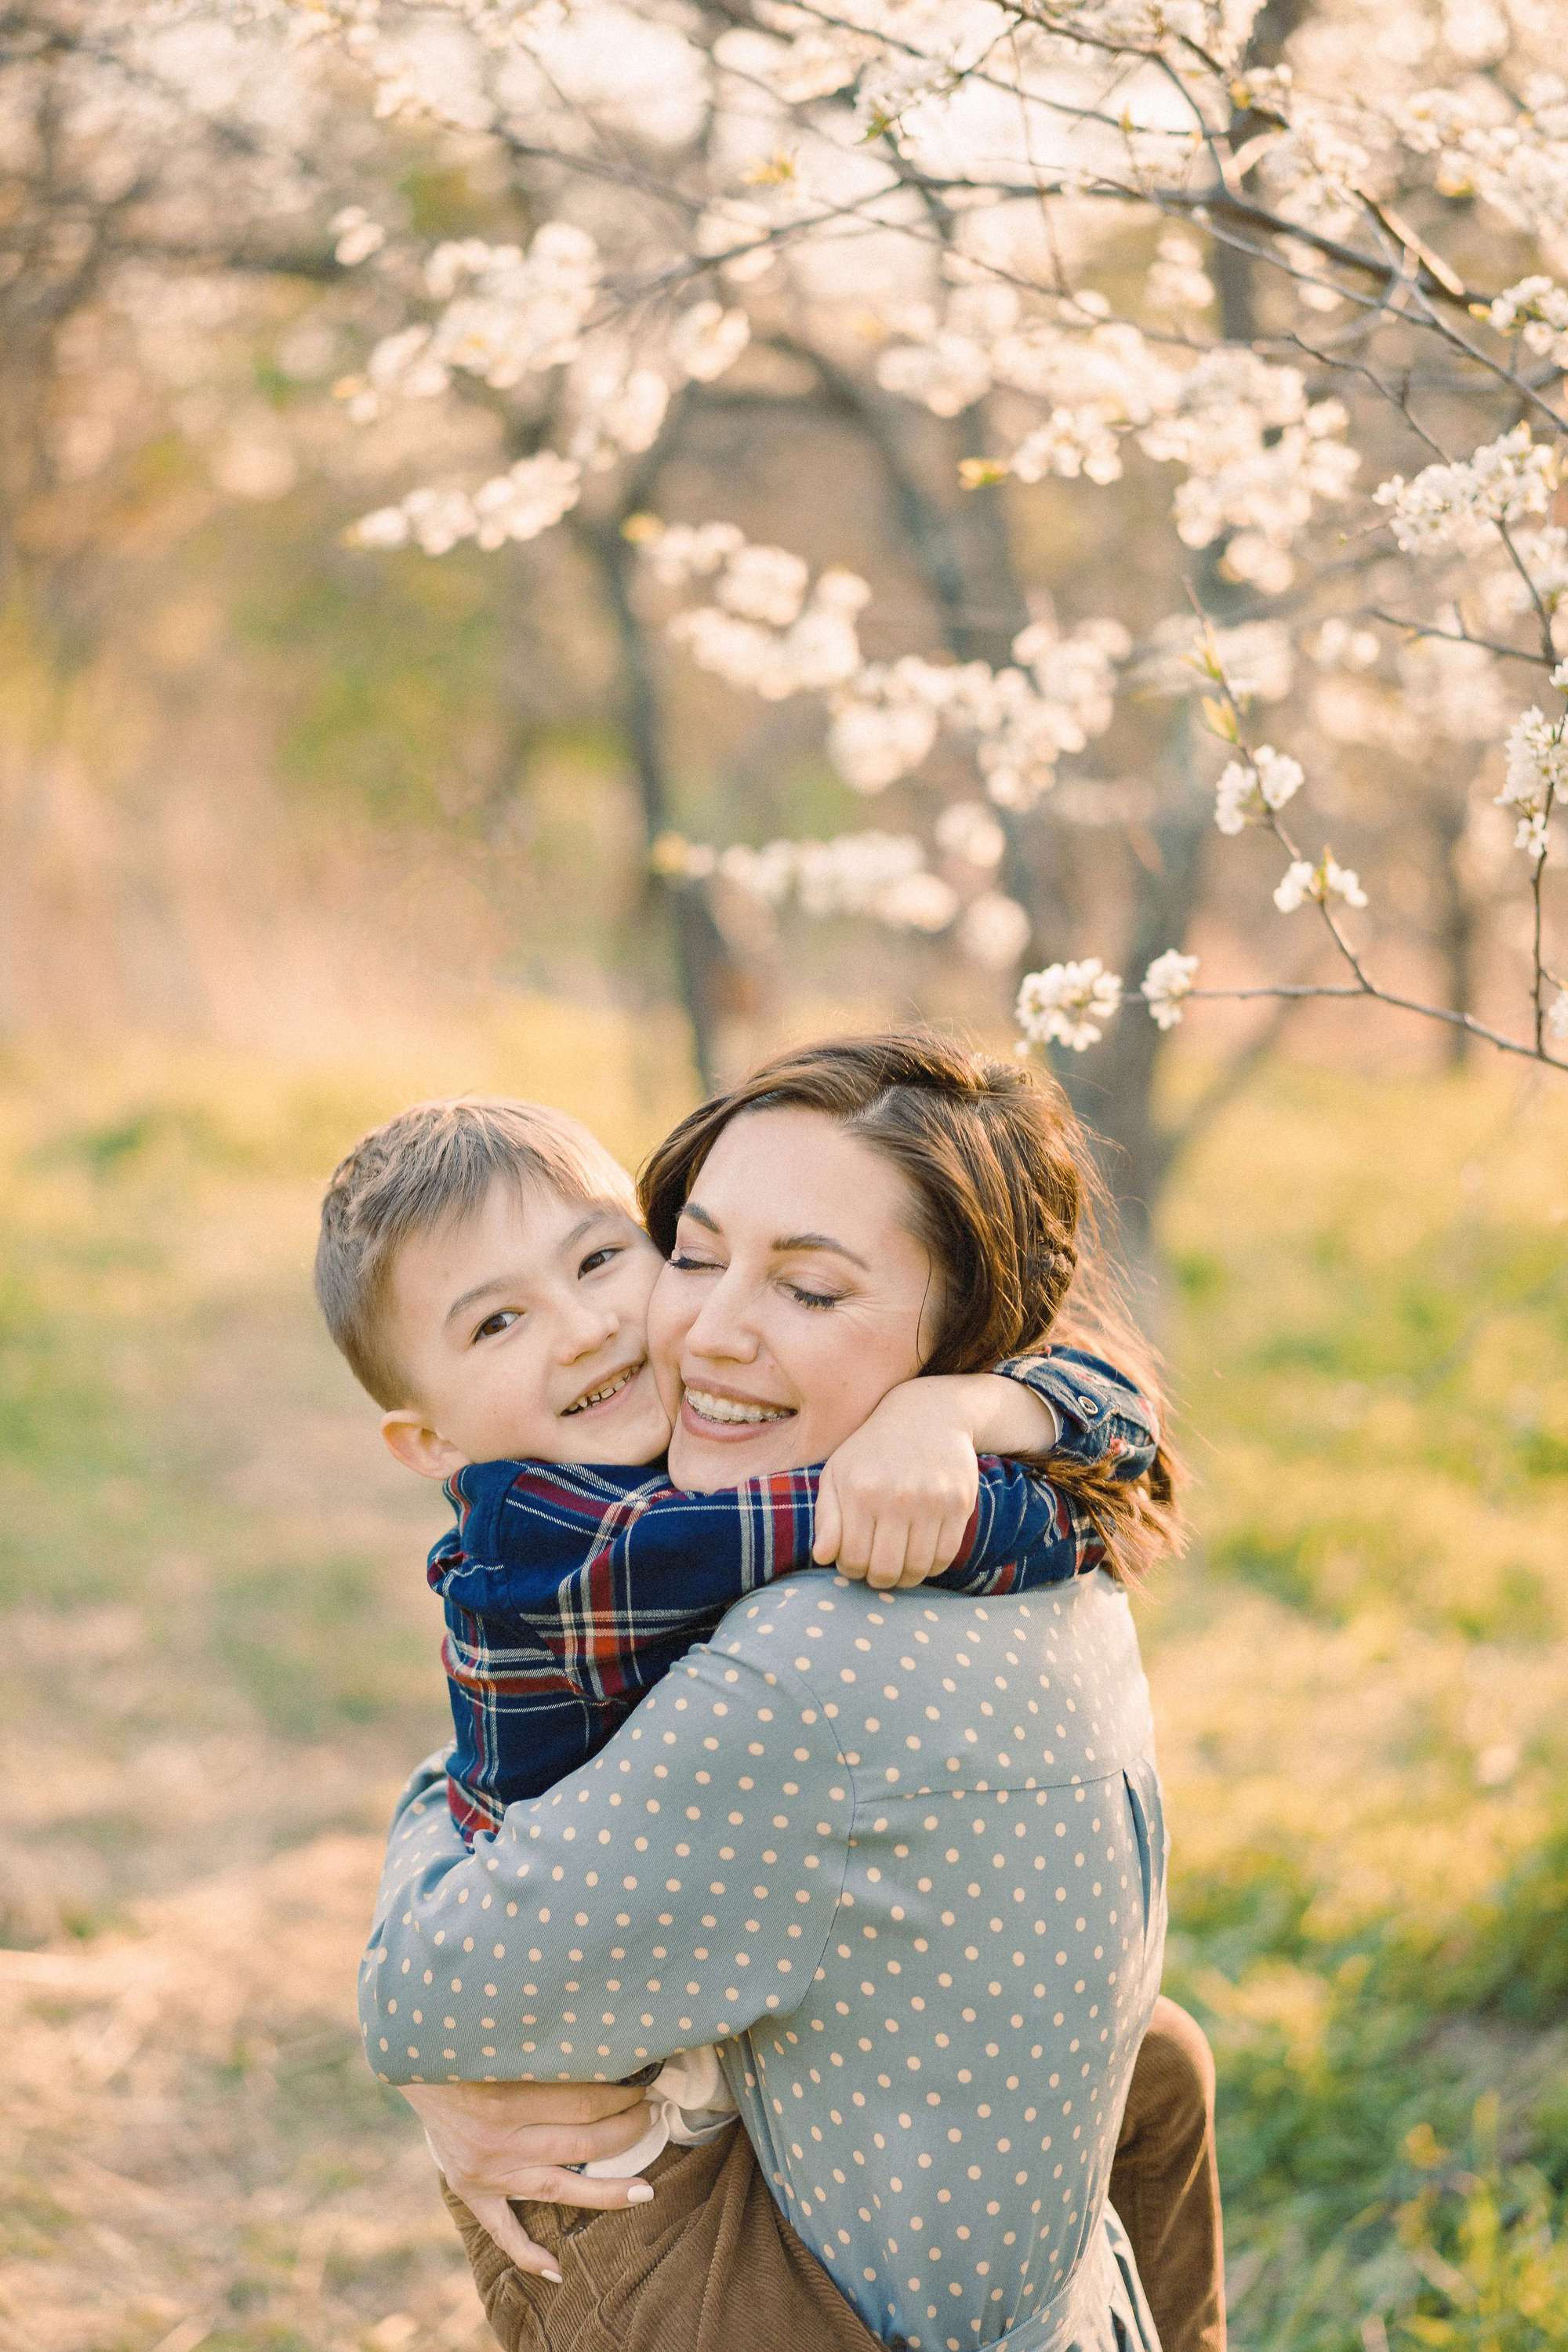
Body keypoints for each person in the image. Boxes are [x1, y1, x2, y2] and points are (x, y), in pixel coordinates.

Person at [349, 1036, 1225, 2350]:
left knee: (564, 2156)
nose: (701, 1329)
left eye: (810, 1289)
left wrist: (457, 2078)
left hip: (847, 2303)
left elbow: (425, 1995)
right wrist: (987, 1416)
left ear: (959, 1327)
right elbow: (1117, 1432)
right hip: (1043, 2287)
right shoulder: (1047, 1556)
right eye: (693, 1255)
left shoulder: (815, 1658)